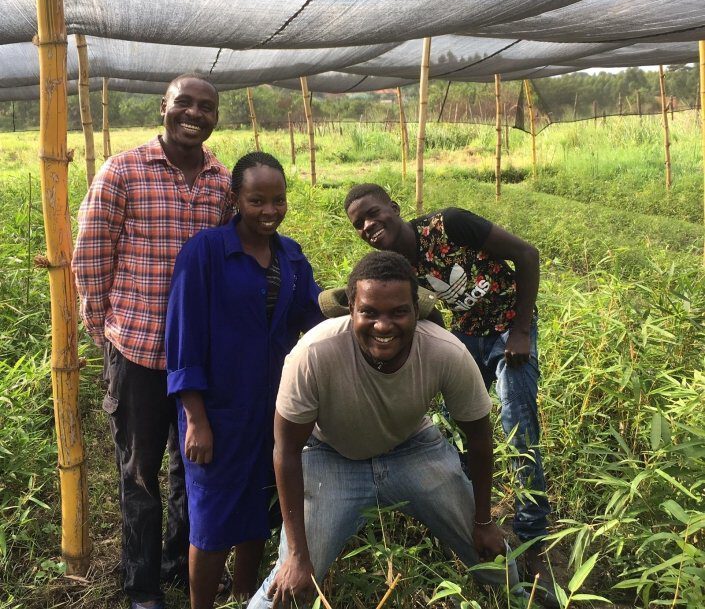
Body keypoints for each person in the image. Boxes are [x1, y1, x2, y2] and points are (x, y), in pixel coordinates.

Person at [248, 251, 527, 609]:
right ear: (351, 309)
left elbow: (479, 435)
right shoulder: (314, 353)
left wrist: (485, 519)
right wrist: (299, 556)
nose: (383, 326)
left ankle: (521, 598)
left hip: (412, 447)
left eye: (398, 312)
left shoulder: (445, 351)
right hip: (332, 454)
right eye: (370, 312)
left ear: (415, 310)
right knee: (292, 583)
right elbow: (285, 451)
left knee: (491, 553)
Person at [344, 184, 559, 608]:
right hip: (467, 336)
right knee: (455, 421)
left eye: (373, 213)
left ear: (394, 207)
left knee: (516, 415)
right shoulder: (398, 265)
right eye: (359, 224)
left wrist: (520, 331)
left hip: (507, 330)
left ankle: (532, 530)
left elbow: (528, 255)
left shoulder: (450, 224)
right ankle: (467, 513)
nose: (369, 226)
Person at [72, 74, 232, 609]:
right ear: (163, 107)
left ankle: (180, 563)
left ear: (215, 117)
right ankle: (142, 584)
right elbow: (91, 255)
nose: (194, 113)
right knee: (139, 473)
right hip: (137, 350)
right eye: (184, 102)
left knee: (194, 465)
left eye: (205, 107)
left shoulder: (221, 182)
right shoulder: (124, 170)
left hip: (197, 357)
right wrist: (106, 337)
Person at [165, 152, 323, 609]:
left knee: (259, 505)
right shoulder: (206, 252)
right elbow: (184, 338)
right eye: (257, 200)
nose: (269, 210)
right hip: (218, 408)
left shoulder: (290, 255)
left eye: (278, 200)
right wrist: (195, 418)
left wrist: (354, 308)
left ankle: (243, 594)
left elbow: (310, 316)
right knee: (213, 516)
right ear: (235, 198)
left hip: (274, 405)